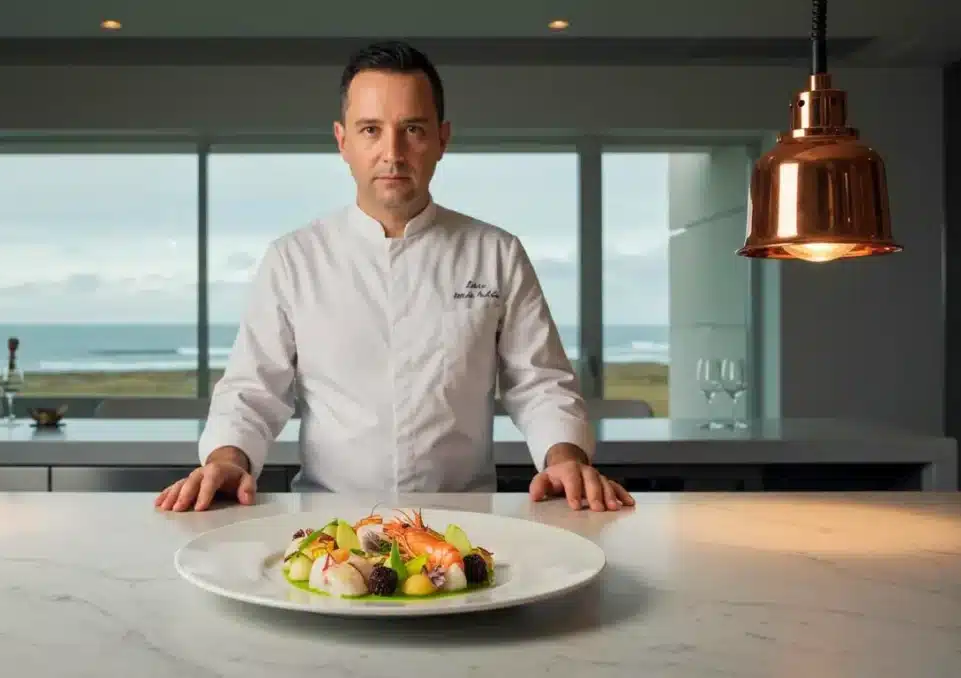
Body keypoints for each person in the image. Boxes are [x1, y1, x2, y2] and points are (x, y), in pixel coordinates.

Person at [156, 40, 635, 513]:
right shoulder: (293, 259)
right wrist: (226, 459)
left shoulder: (497, 253)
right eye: (370, 129)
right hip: (331, 524)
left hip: (464, 524)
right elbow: (252, 392)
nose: (393, 152)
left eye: (413, 129)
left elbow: (541, 384)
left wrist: (565, 458)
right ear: (342, 141)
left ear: (442, 139)